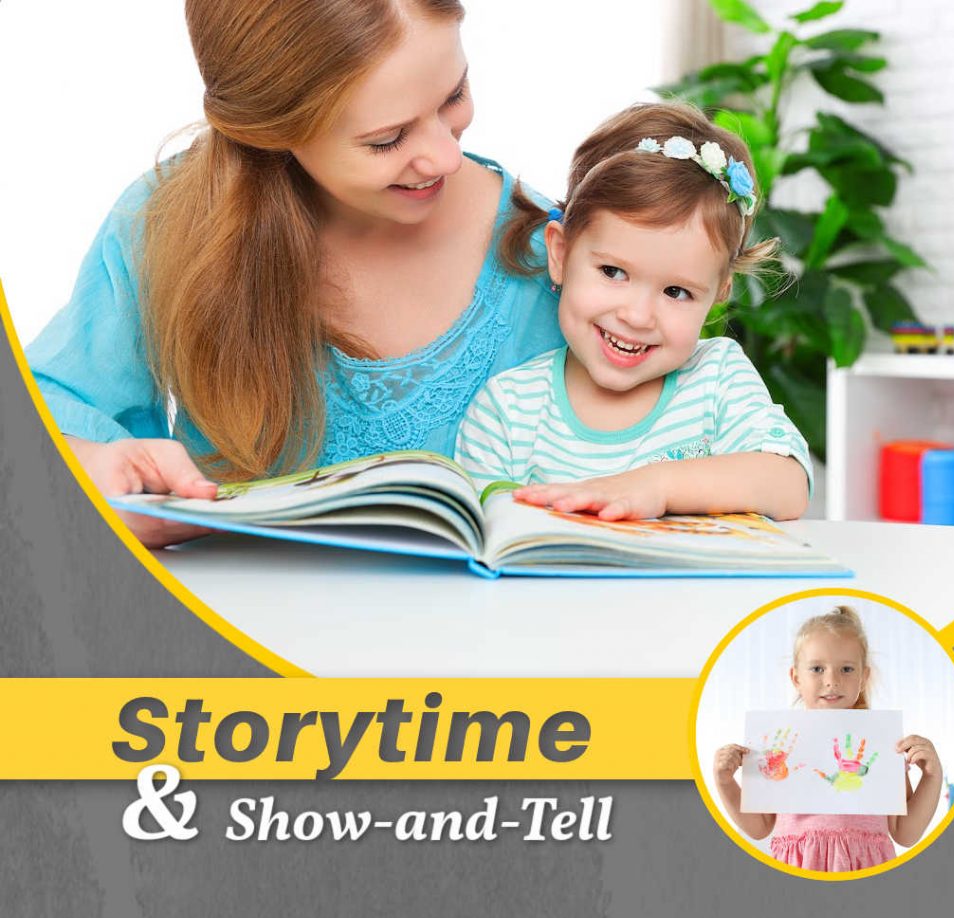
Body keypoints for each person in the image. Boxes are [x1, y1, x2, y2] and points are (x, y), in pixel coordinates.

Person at [26, 0, 563, 548]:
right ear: (269, 128)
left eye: (454, 95)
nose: (446, 157)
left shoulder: (560, 260)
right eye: (387, 139)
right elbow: (45, 412)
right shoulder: (166, 221)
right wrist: (90, 464)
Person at [454, 103, 809, 522]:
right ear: (560, 254)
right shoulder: (509, 409)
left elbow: (788, 486)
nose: (638, 316)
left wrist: (656, 486)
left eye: (676, 291)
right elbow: (486, 536)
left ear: (718, 293)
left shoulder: (717, 381)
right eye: (613, 271)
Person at [714, 605, 943, 872]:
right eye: (817, 669)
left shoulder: (880, 745)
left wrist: (931, 776)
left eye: (846, 669)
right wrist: (724, 781)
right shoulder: (779, 746)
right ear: (796, 677)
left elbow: (906, 833)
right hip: (798, 867)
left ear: (863, 677)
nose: (832, 680)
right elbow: (759, 827)